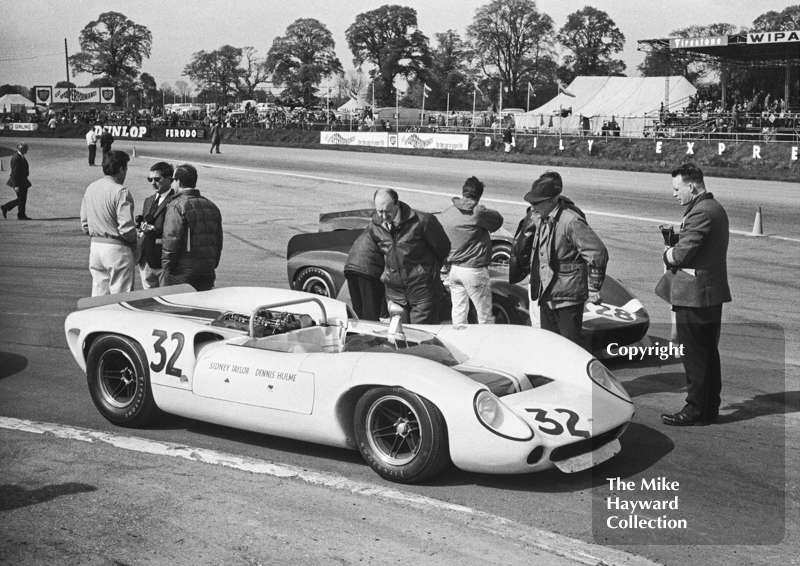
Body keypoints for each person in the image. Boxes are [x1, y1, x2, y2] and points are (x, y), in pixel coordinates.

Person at [656, 163, 731, 426]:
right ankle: (709, 407)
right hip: (709, 294)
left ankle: (695, 409)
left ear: (691, 186)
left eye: (677, 189)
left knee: (695, 356)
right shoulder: (715, 208)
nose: (675, 194)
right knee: (708, 352)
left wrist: (668, 251)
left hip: (695, 296)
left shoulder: (700, 212)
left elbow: (681, 255)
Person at [510, 171, 608, 349]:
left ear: (550, 200)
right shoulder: (542, 218)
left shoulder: (570, 221)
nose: (532, 208)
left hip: (567, 298)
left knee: (570, 348)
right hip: (547, 295)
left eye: (536, 203)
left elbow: (598, 253)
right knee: (551, 346)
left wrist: (593, 287)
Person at [366, 189, 450, 324]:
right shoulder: (375, 226)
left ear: (397, 204)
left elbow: (442, 248)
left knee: (421, 337)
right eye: (379, 211)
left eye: (387, 211)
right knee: (400, 338)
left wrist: (427, 272)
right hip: (395, 294)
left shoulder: (423, 221)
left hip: (422, 292)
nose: (383, 216)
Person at [438, 176, 504, 325]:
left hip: (454, 270)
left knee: (459, 313)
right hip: (474, 270)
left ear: (463, 192)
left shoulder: (448, 212)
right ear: (479, 195)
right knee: (485, 316)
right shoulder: (477, 212)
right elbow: (497, 221)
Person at [80, 150, 137, 296]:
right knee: (121, 296)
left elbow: (85, 224)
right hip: (117, 248)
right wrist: (135, 242)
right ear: (121, 169)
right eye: (126, 169)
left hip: (96, 247)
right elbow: (126, 228)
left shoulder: (91, 188)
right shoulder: (121, 191)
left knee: (99, 294)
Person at [160, 164, 223, 291]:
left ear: (178, 181)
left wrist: (166, 268)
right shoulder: (212, 206)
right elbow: (218, 241)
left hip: (182, 273)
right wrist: (212, 264)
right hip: (207, 271)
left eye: (173, 180)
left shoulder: (176, 205)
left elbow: (171, 241)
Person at [135, 162, 176, 289]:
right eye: (150, 179)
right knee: (148, 299)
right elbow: (144, 226)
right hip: (145, 259)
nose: (153, 183)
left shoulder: (175, 201)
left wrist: (151, 229)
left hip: (163, 260)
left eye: (157, 179)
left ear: (169, 179)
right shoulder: (148, 200)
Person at [344, 230, 386, 321]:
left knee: (358, 311)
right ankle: (371, 334)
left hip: (351, 266)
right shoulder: (384, 228)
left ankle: (360, 334)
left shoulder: (371, 228)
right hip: (367, 269)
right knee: (370, 312)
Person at [2, 143, 33, 220]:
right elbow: (14, 173)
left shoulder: (20, 157)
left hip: (22, 181)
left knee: (22, 198)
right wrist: (16, 185)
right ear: (21, 149)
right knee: (21, 198)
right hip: (18, 182)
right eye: (26, 148)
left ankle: (16, 212)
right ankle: (20, 214)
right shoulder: (16, 158)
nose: (27, 150)